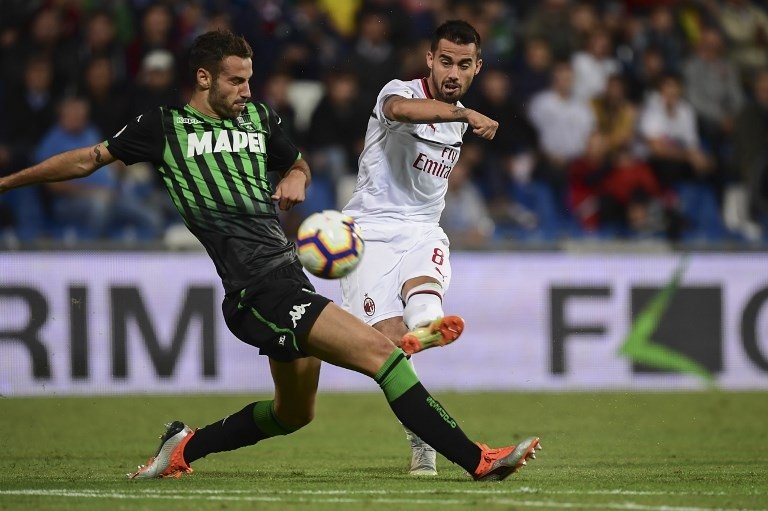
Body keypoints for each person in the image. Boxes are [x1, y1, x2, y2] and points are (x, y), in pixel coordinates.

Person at [0, 29, 540, 482]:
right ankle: (477, 460)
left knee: (293, 414)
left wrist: (296, 177)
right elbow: (89, 159)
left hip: (289, 278)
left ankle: (183, 449)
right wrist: (10, 182)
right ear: (205, 77)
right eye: (236, 79)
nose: (247, 89)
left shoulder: (257, 118)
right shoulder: (163, 127)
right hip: (254, 290)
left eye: (250, 78)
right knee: (385, 357)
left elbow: (299, 163)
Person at [340, 20, 499, 477]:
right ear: (430, 59)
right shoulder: (400, 91)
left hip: (422, 229)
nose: (453, 72)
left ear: (477, 67)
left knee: (424, 291)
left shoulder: (458, 119)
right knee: (388, 348)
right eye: (445, 61)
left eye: (463, 65)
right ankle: (421, 432)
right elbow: (402, 111)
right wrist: (464, 114)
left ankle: (427, 323)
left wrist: (462, 115)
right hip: (368, 232)